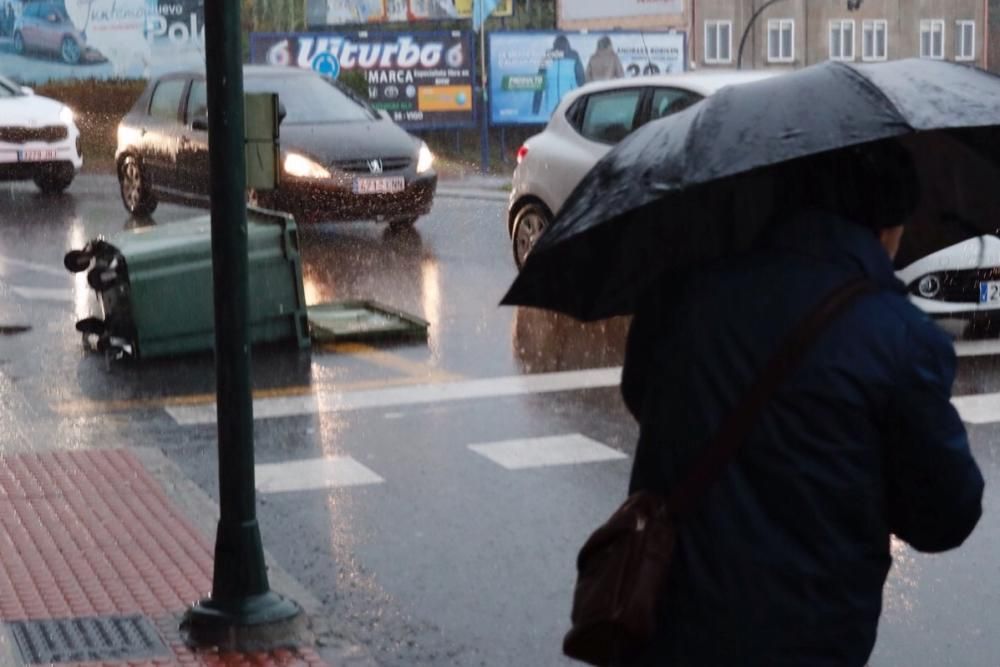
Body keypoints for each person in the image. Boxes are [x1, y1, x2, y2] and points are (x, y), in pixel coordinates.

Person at [620, 141, 985, 666]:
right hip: (809, 639)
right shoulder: (898, 338)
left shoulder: (683, 292)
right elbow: (946, 515)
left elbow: (643, 397)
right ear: (885, 224)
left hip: (671, 625)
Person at [532, 34, 585, 118]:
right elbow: (582, 81)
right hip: (570, 104)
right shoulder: (573, 56)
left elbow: (539, 85)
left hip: (552, 107)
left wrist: (535, 109)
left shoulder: (548, 57)